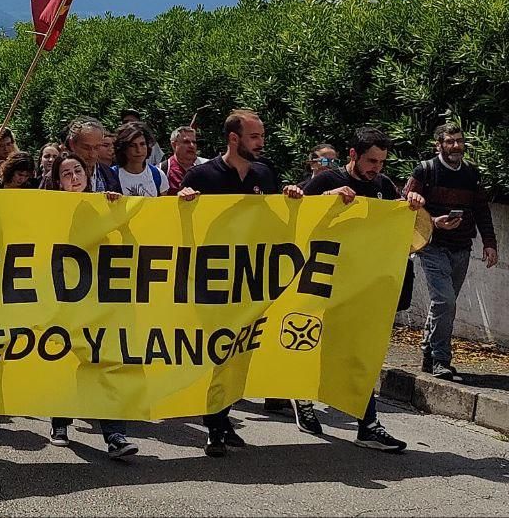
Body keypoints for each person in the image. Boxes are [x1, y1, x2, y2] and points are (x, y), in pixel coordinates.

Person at [284, 126, 421, 452]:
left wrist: (412, 205)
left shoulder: (383, 186)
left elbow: (400, 226)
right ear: (353, 156)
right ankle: (302, 396)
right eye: (372, 160)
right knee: (316, 345)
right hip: (323, 284)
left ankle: (368, 426)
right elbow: (291, 208)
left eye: (382, 162)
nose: (377, 168)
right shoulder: (327, 180)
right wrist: (323, 200)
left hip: (363, 288)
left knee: (363, 354)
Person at [178, 108, 283, 457]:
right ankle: (214, 423)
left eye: (262, 136)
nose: (261, 143)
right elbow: (173, 224)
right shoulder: (202, 176)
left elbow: (279, 217)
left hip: (252, 279)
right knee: (218, 351)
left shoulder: (265, 173)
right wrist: (183, 204)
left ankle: (222, 418)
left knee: (241, 352)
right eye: (255, 137)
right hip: (213, 280)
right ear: (234, 139)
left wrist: (296, 198)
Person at [43, 150, 139, 457]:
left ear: (88, 176)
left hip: (100, 297)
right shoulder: (48, 210)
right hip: (64, 297)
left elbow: (132, 243)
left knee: (106, 362)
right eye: (66, 174)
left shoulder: (103, 205)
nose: (74, 179)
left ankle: (115, 435)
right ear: (58, 182)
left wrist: (117, 214)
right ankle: (60, 421)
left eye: (78, 172)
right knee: (64, 360)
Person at [406, 123, 497, 382]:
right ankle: (440, 359)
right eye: (449, 141)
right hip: (432, 246)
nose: (456, 146)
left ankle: (427, 351)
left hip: (461, 247)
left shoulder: (471, 174)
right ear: (439, 145)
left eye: (459, 141)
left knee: (443, 305)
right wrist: (435, 221)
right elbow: (406, 208)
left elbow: (481, 209)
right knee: (445, 301)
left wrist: (490, 243)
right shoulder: (425, 171)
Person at [66, 118, 121, 192]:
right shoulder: (55, 176)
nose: (92, 154)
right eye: (86, 148)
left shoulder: (110, 175)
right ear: (72, 144)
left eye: (97, 147)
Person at [113, 123, 168, 196]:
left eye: (142, 144)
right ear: (123, 148)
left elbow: (164, 204)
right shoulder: (111, 175)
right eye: (132, 145)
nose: (139, 150)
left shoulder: (158, 174)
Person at [159, 126, 206, 192]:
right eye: (186, 142)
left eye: (194, 142)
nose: (192, 146)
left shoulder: (203, 168)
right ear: (174, 145)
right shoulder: (161, 171)